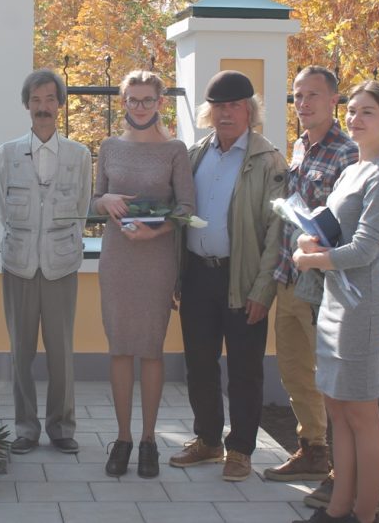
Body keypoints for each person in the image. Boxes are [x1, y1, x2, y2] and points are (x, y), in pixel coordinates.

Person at [292, 81, 379, 523]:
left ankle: (365, 514)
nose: (356, 119)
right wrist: (310, 240)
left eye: (368, 112)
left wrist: (311, 260)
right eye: (353, 110)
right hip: (334, 301)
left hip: (361, 308)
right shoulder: (353, 169)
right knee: (338, 411)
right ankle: (338, 508)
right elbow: (336, 234)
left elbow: (366, 249)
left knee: (361, 415)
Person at [168, 70, 287, 481]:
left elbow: (277, 231)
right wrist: (175, 277)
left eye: (235, 105)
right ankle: (207, 440)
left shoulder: (268, 160)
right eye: (219, 106)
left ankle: (240, 450)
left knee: (244, 370)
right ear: (209, 112)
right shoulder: (195, 154)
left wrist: (263, 289)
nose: (226, 113)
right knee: (199, 364)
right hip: (197, 276)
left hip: (242, 279)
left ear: (250, 111)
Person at [92, 70, 195, 478]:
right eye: (132, 100)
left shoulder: (175, 150)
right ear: (123, 102)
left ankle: (149, 439)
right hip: (118, 258)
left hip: (156, 259)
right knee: (120, 348)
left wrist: (157, 230)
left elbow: (187, 208)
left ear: (160, 102)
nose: (139, 106)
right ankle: (123, 439)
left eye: (147, 99)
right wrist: (106, 200)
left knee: (151, 349)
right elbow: (95, 199)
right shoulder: (109, 147)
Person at [266, 67, 358, 493]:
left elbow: (349, 227)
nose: (302, 103)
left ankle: (346, 470)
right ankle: (314, 450)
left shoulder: (348, 153)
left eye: (312, 95)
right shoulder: (300, 145)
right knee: (295, 370)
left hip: (324, 286)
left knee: (334, 377)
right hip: (290, 277)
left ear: (334, 100)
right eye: (298, 95)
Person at [0, 69, 92, 455]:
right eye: (35, 100)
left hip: (61, 266)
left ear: (60, 104)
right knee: (20, 352)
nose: (43, 107)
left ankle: (62, 427)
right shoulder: (7, 154)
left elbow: (82, 208)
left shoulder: (79, 156)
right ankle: (26, 427)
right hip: (18, 265)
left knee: (61, 352)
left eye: (50, 99)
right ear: (26, 105)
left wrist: (59, 246)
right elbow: (3, 209)